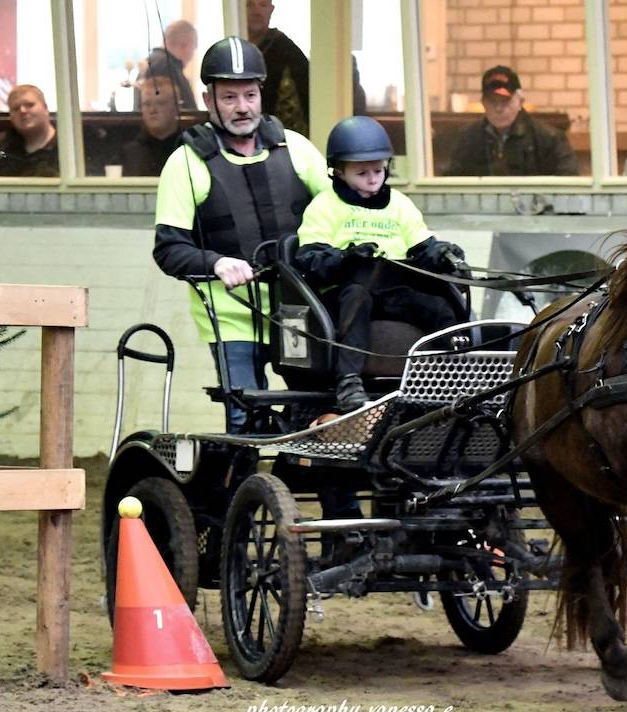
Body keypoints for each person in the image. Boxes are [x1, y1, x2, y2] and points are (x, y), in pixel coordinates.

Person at [152, 36, 326, 434]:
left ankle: (330, 497)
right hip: (231, 319)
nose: (243, 107)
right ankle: (243, 494)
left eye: (250, 94)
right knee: (245, 420)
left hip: (295, 313)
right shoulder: (185, 163)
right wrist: (216, 262)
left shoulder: (295, 147)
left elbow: (340, 210)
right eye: (229, 97)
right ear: (208, 99)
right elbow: (168, 249)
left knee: (317, 413)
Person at [295, 116, 464, 413]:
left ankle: (456, 377)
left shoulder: (399, 203)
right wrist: (346, 257)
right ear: (339, 171)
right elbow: (310, 260)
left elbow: (421, 245)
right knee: (358, 290)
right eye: (362, 173)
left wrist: (440, 252)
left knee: (440, 306)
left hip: (393, 288)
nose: (373, 179)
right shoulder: (324, 206)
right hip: (346, 292)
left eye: (378, 170)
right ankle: (348, 380)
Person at [246, 0, 366, 137]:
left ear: (271, 10)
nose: (256, 11)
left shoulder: (287, 52)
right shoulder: (234, 53)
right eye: (249, 4)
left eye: (263, 4)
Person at [446, 65, 579, 177]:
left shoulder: (548, 138)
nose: (498, 108)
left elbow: (569, 182)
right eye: (492, 101)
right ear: (483, 103)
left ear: (520, 102)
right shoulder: (468, 138)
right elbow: (451, 182)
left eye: (505, 101)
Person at [0, 84, 58, 177]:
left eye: (29, 105)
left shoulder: (67, 146)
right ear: (11, 116)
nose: (22, 110)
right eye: (15, 108)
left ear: (45, 108)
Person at [121, 77, 181, 177]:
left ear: (176, 107)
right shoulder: (128, 154)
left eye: (160, 103)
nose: (152, 110)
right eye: (146, 104)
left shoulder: (190, 151)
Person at [140, 19, 198, 111]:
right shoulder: (165, 66)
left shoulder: (154, 62)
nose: (192, 55)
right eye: (193, 48)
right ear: (185, 45)